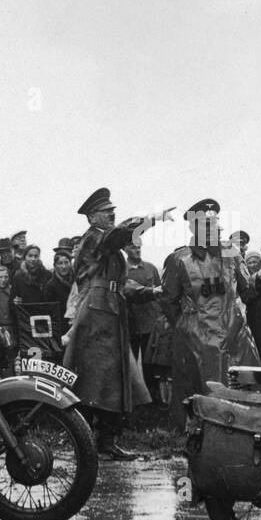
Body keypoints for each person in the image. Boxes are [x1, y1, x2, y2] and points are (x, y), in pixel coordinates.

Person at [62, 188, 162, 459]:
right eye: (108, 213)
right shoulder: (94, 238)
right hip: (98, 314)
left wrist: (149, 292)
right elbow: (117, 236)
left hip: (109, 310)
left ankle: (105, 440)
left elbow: (118, 282)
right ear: (93, 216)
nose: (112, 216)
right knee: (95, 378)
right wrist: (147, 221)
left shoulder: (104, 242)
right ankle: (86, 441)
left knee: (111, 378)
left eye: (113, 213)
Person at [161, 197, 261, 430]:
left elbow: (247, 291)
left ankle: (248, 429)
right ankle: (198, 431)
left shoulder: (232, 253)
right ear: (193, 228)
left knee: (243, 386)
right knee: (199, 389)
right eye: (205, 225)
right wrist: (187, 325)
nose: (212, 228)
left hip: (235, 334)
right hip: (196, 336)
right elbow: (168, 300)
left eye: (215, 224)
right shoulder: (179, 259)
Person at [124, 238, 163, 381]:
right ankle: (134, 400)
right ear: (125, 249)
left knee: (150, 363)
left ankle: (153, 397)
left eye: (139, 247)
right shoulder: (122, 270)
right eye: (133, 247)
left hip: (150, 322)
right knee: (130, 363)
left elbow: (160, 293)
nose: (137, 250)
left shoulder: (150, 268)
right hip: (130, 323)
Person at [46, 241, 77, 339]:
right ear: (55, 265)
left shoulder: (77, 281)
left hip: (78, 324)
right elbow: (50, 310)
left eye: (66, 262)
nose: (63, 266)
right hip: (61, 328)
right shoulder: (51, 286)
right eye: (60, 263)